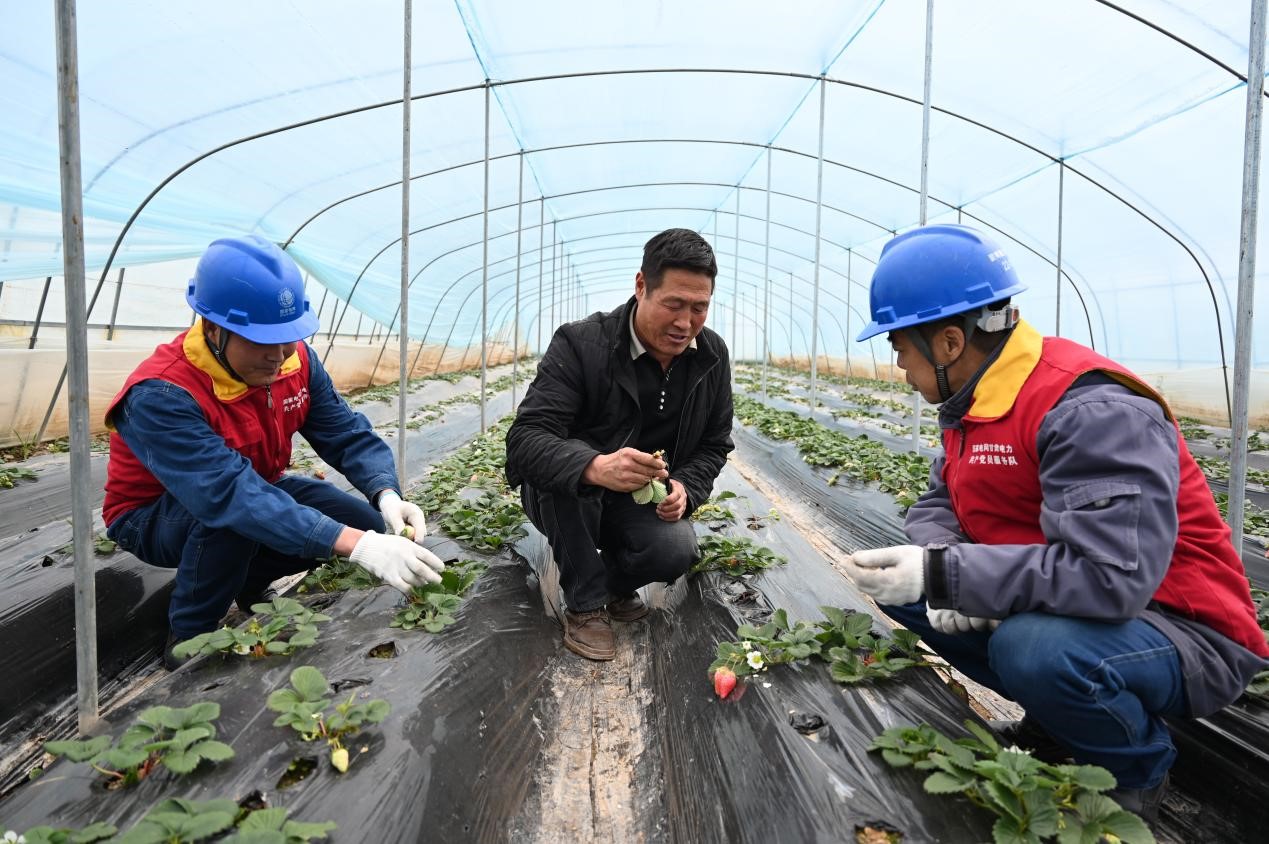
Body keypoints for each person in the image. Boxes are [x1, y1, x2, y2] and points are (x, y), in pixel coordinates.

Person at [842, 224, 1269, 823]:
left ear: (947, 343)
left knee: (1032, 648)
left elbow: (1109, 578)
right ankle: (1056, 721)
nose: (900, 371)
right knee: (906, 589)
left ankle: (1134, 771)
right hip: (1081, 605)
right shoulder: (974, 401)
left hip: (1178, 626)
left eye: (899, 351)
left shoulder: (1091, 409)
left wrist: (957, 576)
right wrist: (943, 566)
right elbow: (940, 501)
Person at [103, 235, 446, 669]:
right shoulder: (162, 392)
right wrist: (358, 548)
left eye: (290, 337)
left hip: (255, 486)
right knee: (234, 520)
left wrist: (387, 494)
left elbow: (343, 432)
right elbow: (227, 494)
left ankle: (248, 584)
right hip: (153, 515)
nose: (281, 355)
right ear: (213, 330)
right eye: (264, 341)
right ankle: (190, 638)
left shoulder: (295, 360)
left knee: (360, 521)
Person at [505, 228, 734, 661]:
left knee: (675, 551)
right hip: (570, 496)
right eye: (673, 305)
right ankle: (586, 604)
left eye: (699, 308)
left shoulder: (712, 355)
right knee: (569, 480)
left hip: (638, 498)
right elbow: (526, 440)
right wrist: (593, 466)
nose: (685, 323)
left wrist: (686, 485)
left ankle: (610, 583)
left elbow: (714, 443)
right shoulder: (580, 344)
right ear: (641, 286)